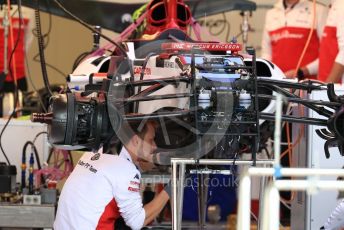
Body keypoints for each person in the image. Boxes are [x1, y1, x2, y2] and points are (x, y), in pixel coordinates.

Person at [54, 121, 171, 230]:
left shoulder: (96, 150)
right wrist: (172, 188)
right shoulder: (125, 169)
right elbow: (137, 222)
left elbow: (117, 173)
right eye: (151, 140)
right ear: (136, 141)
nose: (155, 146)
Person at [261, 0, 328, 79]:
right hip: (277, 85)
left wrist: (302, 72)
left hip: (308, 85)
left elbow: (327, 55)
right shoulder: (271, 13)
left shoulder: (319, 10)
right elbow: (267, 53)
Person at [318, 0, 344, 83]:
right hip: (328, 87)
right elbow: (327, 54)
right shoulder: (333, 6)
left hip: (337, 91)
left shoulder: (341, 5)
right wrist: (304, 71)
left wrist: (327, 89)